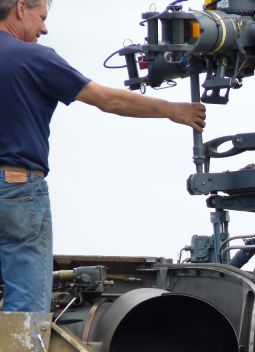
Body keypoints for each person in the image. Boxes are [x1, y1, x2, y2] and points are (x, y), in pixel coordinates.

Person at [0, 0, 206, 313]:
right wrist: (172, 110)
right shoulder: (35, 58)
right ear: (19, 8)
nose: (44, 28)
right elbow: (107, 100)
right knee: (26, 308)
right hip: (16, 188)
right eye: (41, 17)